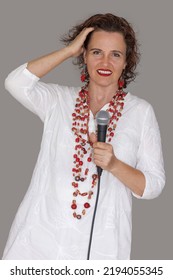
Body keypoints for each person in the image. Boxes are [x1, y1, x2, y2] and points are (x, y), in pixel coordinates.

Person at [3, 13, 165, 260]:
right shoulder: (58, 101)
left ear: (126, 62)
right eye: (96, 52)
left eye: (116, 55)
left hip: (102, 247)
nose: (106, 62)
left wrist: (114, 165)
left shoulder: (140, 112)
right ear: (84, 55)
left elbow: (153, 185)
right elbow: (15, 83)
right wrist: (68, 50)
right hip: (38, 242)